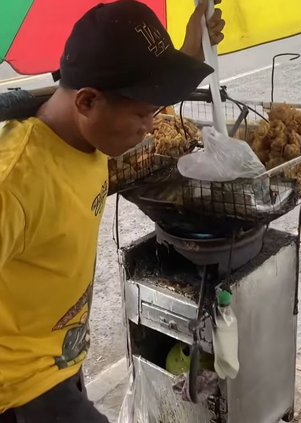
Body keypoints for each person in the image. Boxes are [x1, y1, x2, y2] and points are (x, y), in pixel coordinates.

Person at [0, 1, 225, 422]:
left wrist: (190, 49)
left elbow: (136, 96)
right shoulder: (15, 180)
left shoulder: (88, 136)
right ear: (86, 101)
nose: (150, 126)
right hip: (22, 389)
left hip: (62, 360)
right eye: (142, 115)